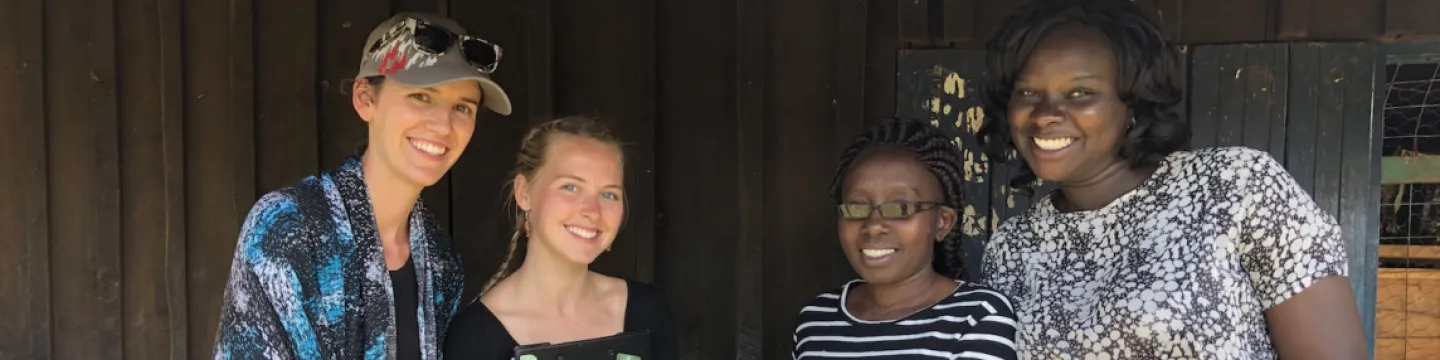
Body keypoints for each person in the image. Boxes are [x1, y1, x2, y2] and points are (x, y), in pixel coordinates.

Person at [976, 1, 1367, 358]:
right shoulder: (1013, 248)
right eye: (1028, 92)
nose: (1046, 114)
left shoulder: (1236, 186)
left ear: (1132, 103)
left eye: (1080, 93)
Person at [212, 12, 512, 359]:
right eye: (421, 97)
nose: (443, 125)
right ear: (365, 99)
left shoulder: (441, 261)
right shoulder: (287, 227)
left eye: (462, 107)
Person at [442, 116, 680, 359]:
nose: (592, 211)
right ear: (524, 193)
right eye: (570, 187)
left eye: (608, 195)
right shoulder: (475, 337)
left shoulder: (647, 311)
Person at [791, 118, 1019, 359]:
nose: (874, 226)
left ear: (942, 222)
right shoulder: (816, 321)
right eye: (856, 208)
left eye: (901, 208)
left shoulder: (977, 317)